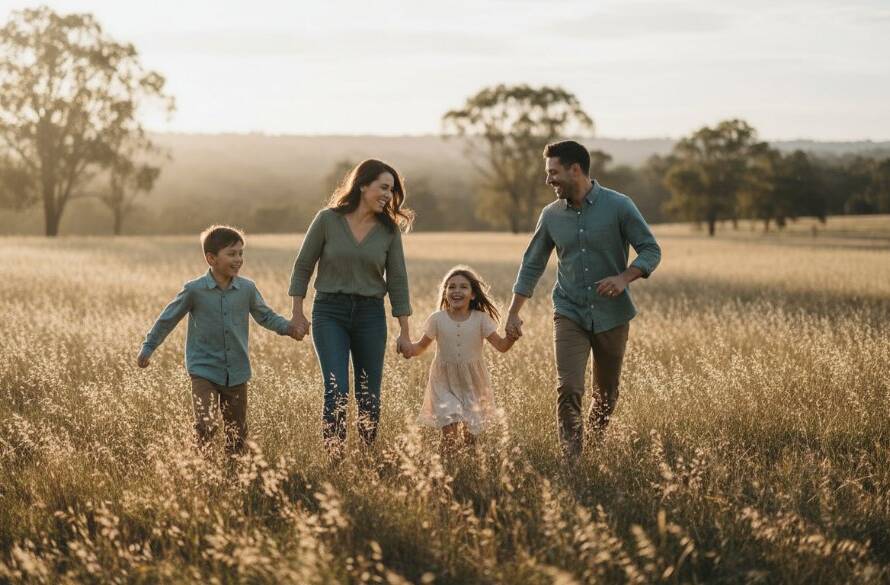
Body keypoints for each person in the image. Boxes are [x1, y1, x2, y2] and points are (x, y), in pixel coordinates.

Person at [505, 140, 661, 459]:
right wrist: (513, 313)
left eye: (553, 172)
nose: (548, 180)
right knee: (569, 387)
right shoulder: (550, 216)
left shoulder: (619, 205)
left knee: (606, 395)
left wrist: (623, 278)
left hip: (613, 315)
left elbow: (651, 249)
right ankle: (572, 459)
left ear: (575, 169)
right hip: (569, 312)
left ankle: (592, 446)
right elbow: (532, 263)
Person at [288, 159, 414, 458]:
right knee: (337, 389)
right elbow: (303, 265)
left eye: (392, 190)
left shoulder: (389, 231)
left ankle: (367, 457)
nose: (388, 194)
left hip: (371, 315)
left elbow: (398, 279)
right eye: (383, 187)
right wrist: (297, 311)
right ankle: (335, 458)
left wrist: (405, 331)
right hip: (329, 311)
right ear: (362, 185)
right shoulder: (327, 220)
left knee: (369, 394)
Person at [137, 225, 299, 456]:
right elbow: (168, 318)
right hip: (203, 370)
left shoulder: (247, 289)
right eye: (232, 254)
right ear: (211, 258)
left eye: (241, 253)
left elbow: (266, 316)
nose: (239, 259)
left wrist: (289, 328)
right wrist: (148, 347)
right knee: (206, 424)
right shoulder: (195, 290)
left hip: (237, 371)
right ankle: (201, 467)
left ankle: (235, 475)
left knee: (237, 433)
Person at [404, 266, 517, 456]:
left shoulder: (481, 319)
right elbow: (421, 347)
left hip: (473, 382)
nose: (457, 291)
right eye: (451, 287)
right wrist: (408, 349)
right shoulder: (437, 319)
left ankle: (468, 469)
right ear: (445, 293)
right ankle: (446, 467)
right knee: (449, 431)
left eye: (463, 287)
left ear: (473, 294)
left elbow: (502, 346)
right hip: (443, 381)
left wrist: (512, 337)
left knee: (470, 439)